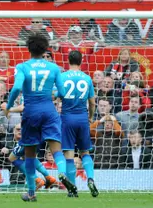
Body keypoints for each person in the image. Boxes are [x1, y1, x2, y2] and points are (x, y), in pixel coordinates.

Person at [5, 34, 77, 202]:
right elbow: (62, 92)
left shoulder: (22, 67)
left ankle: (31, 193)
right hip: (49, 110)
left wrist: (8, 106)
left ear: (28, 49)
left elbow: (16, 89)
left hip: (31, 112)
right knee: (57, 150)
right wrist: (54, 97)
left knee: (30, 154)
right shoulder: (53, 68)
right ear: (45, 49)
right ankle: (62, 173)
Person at [61, 50, 98, 197]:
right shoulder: (87, 78)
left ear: (68, 61)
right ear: (81, 61)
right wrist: (90, 116)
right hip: (82, 118)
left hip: (67, 118)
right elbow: (92, 102)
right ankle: (90, 179)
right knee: (85, 152)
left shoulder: (62, 77)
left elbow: (56, 96)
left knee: (69, 154)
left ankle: (72, 189)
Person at [8, 123, 57, 190]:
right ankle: (48, 177)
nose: (20, 131)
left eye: (21, 129)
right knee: (29, 157)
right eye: (18, 129)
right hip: (37, 139)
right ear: (13, 130)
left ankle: (36, 180)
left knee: (12, 158)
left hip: (27, 139)